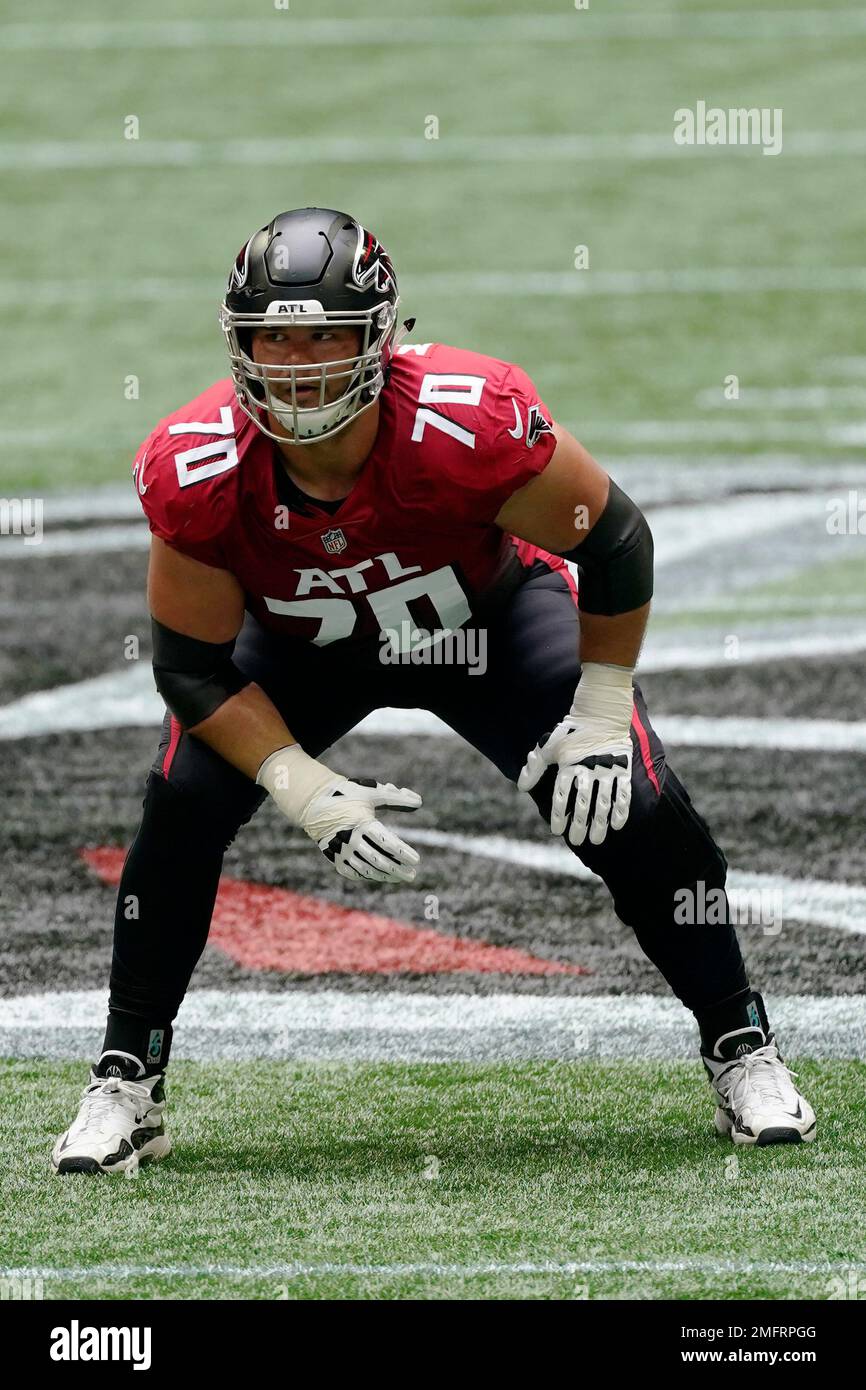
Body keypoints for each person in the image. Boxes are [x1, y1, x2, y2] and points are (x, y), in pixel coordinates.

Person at [52, 208, 815, 1174]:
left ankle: (739, 1041)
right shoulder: (198, 466)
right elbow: (191, 667)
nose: (296, 362)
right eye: (272, 335)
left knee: (633, 807)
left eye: (324, 333)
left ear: (377, 337)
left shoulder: (465, 421)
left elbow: (615, 540)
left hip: (484, 622)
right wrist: (298, 782)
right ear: (236, 339)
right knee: (183, 804)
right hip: (302, 646)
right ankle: (128, 1078)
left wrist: (601, 709)